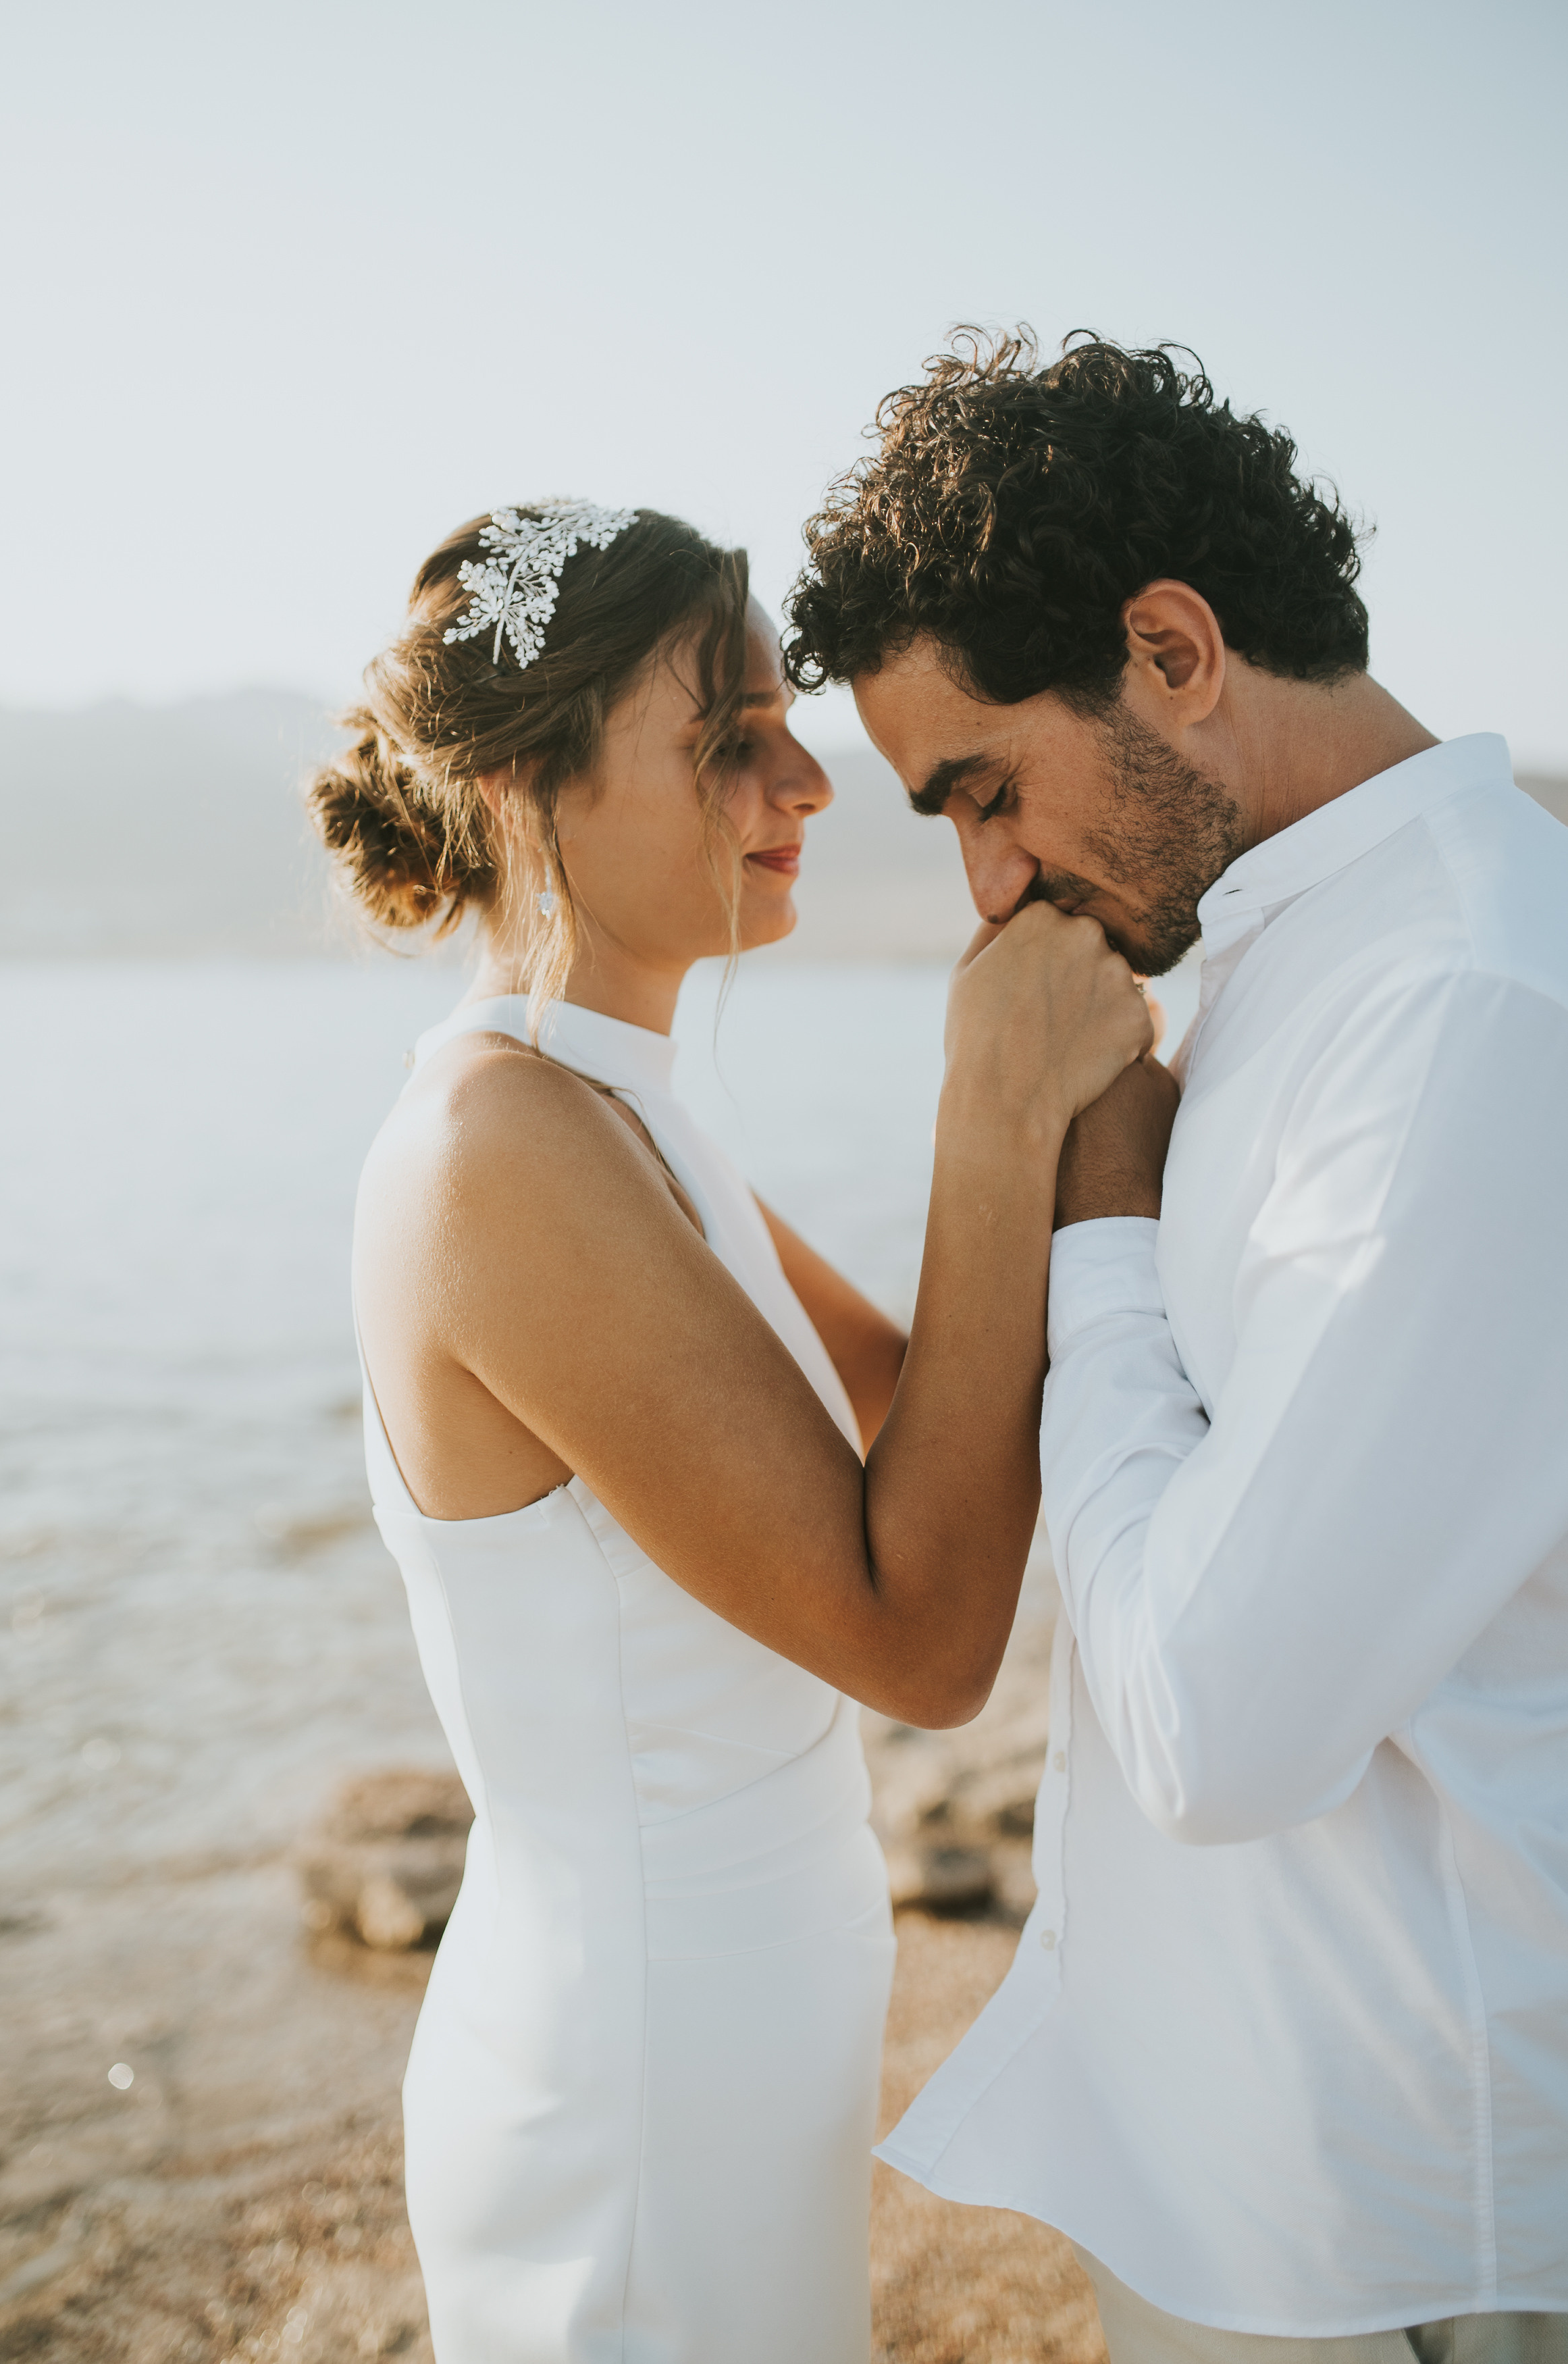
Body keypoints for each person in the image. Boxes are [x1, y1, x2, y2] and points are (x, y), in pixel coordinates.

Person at [784, 333, 1568, 2361]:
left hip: (1411, 2237)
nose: (983, 879)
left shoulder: (1464, 1010)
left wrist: (1104, 1219)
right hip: (1265, 2181)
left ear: (1172, 648)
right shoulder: (1302, 956)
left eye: (982, 789)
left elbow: (1214, 1728)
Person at [307, 500, 1150, 2363]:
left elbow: (938, 1400)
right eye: (726, 739)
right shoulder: (500, 1151)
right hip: (636, 2084)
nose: (807, 777)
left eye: (785, 716)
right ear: (531, 784)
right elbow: (922, 1638)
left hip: (732, 2028)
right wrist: (988, 1102)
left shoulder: (615, 1108)